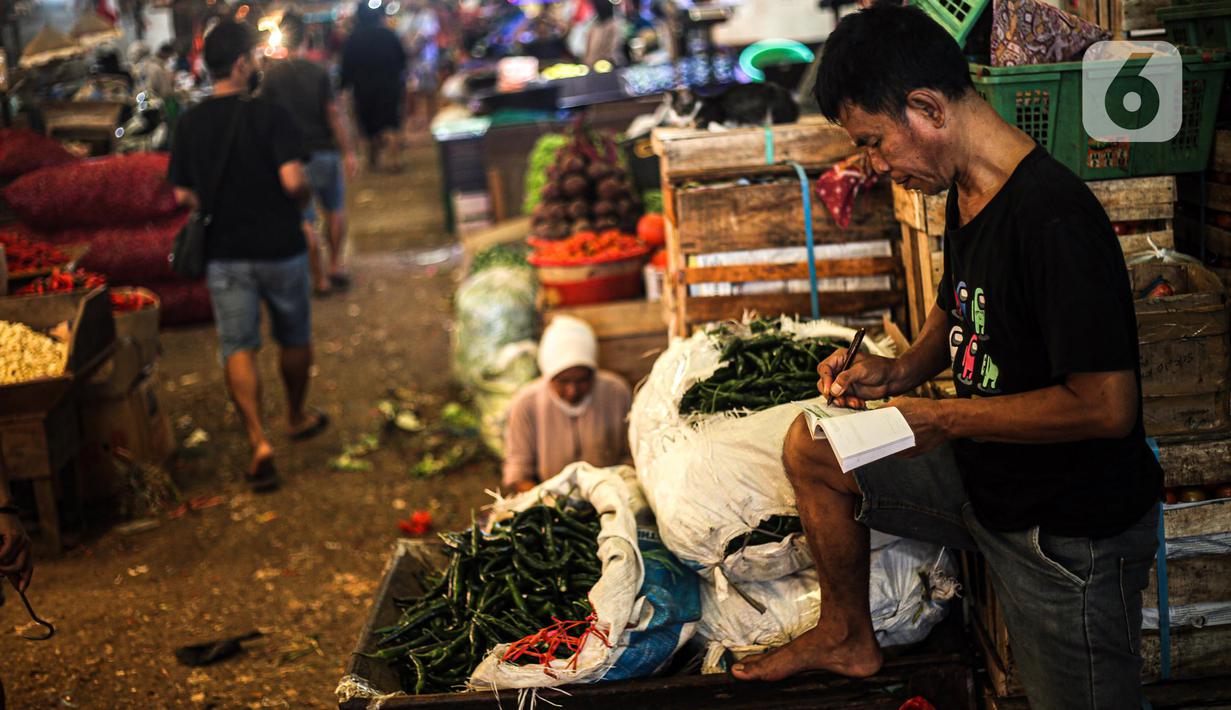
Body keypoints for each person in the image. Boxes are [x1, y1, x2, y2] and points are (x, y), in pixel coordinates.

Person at [730, 6, 1162, 709]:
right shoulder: (963, 188)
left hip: (1063, 533)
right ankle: (846, 635)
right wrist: (900, 371)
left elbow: (1107, 409)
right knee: (813, 448)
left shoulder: (1052, 217)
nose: (872, 167)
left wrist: (943, 418)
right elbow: (958, 306)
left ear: (927, 107)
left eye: (872, 143)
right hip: (985, 479)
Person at [168, 20, 329, 492]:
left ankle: (259, 440)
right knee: (294, 335)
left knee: (238, 345)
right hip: (280, 246)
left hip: (225, 254)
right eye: (254, 57)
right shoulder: (270, 113)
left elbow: (182, 194)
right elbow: (294, 182)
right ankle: (296, 416)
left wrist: (215, 204)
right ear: (241, 64)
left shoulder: (190, 123)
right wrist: (299, 208)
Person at [261, 12, 359, 295]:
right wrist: (349, 151)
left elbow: (264, 118)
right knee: (335, 208)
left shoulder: (270, 76)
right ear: (305, 37)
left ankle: (319, 278)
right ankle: (336, 264)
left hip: (292, 159)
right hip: (325, 151)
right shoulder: (319, 71)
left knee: (305, 220)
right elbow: (334, 113)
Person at [502, 316, 633, 494]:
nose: (572, 391)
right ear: (548, 375)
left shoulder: (616, 393)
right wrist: (547, 503)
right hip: (550, 501)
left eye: (582, 380)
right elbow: (519, 471)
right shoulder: (526, 404)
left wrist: (612, 490)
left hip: (612, 494)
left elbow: (632, 454)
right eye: (562, 381)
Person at [341, 0, 407, 171]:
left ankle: (373, 159)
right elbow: (402, 60)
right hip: (389, 87)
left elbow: (346, 67)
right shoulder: (389, 35)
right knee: (391, 122)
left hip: (364, 90)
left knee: (368, 124)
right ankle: (395, 160)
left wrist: (344, 86)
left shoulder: (353, 39)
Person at [399, 0, 441, 132]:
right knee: (413, 92)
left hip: (427, 60)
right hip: (412, 62)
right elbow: (401, 35)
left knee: (429, 91)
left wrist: (414, 47)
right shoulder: (405, 17)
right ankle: (417, 120)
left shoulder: (428, 15)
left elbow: (427, 35)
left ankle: (432, 118)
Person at [582, 0, 627, 67]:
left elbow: (612, 50)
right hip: (591, 65)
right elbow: (588, 48)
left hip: (606, 66)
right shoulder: (594, 26)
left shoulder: (613, 25)